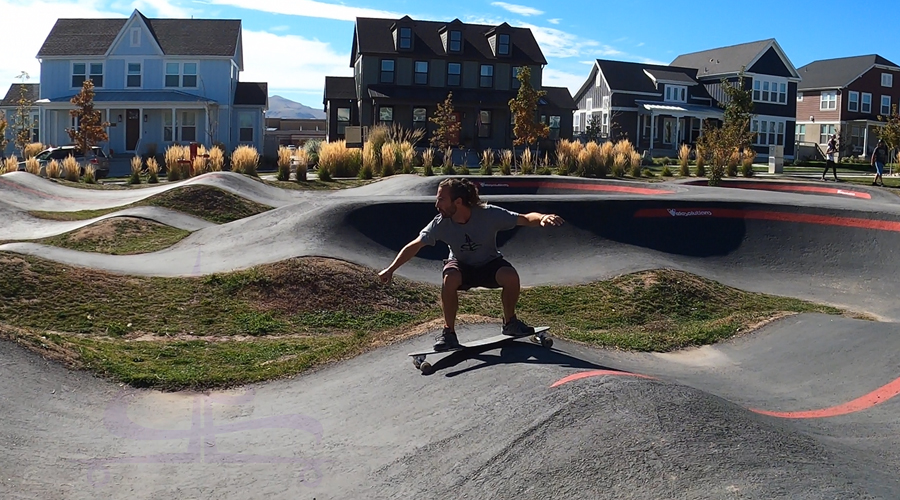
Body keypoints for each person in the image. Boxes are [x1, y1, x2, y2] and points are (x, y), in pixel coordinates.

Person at [378, 178, 565, 351]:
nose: (437, 205)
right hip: (461, 265)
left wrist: (541, 217)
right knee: (449, 278)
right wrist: (391, 269)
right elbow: (415, 245)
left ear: (458, 202)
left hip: (489, 263)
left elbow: (523, 218)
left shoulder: (488, 214)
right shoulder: (440, 223)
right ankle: (448, 333)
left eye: (441, 199)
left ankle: (510, 323)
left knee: (510, 276)